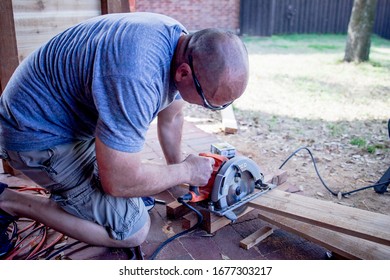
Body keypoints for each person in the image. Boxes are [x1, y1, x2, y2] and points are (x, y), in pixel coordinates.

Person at [0, 12, 249, 257]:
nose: (211, 109)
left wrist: (178, 172)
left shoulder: (180, 43)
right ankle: (10, 201)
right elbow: (118, 182)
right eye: (210, 102)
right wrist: (185, 171)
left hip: (60, 116)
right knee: (133, 230)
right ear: (183, 73)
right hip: (35, 134)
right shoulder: (137, 75)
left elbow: (171, 115)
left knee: (138, 181)